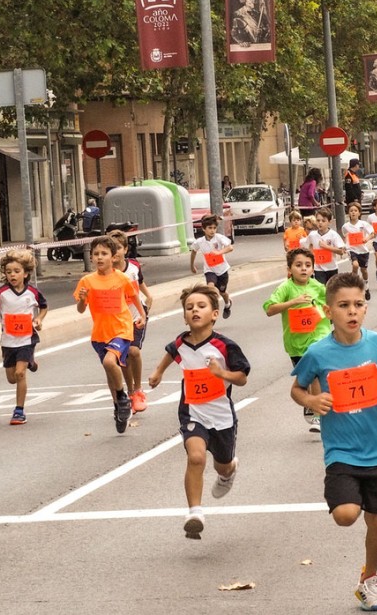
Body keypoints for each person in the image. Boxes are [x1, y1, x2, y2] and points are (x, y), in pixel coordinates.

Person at [290, 273, 377, 612]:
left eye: (358, 304)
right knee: (345, 515)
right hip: (341, 451)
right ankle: (367, 575)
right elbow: (297, 388)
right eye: (343, 305)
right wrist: (311, 402)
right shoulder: (317, 352)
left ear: (366, 308)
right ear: (329, 311)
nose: (352, 311)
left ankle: (368, 581)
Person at [148, 284, 250, 539]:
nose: (195, 310)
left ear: (215, 313)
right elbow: (171, 352)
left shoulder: (224, 346)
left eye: (201, 306)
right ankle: (195, 512)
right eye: (189, 307)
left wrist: (222, 374)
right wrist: (158, 372)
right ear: (184, 315)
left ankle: (229, 471)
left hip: (221, 414)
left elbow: (242, 378)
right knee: (195, 457)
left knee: (223, 465)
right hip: (192, 411)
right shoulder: (181, 342)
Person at [75, 235, 146, 434]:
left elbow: (134, 297)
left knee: (109, 362)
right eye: (95, 254)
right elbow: (81, 309)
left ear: (113, 257)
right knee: (110, 370)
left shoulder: (122, 278)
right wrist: (82, 299)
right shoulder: (87, 281)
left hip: (122, 330)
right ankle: (118, 407)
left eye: (104, 253)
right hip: (100, 333)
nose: (99, 257)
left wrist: (142, 316)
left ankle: (124, 397)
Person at [264, 248, 331, 432]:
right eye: (298, 265)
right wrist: (293, 302)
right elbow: (269, 309)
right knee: (307, 380)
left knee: (317, 375)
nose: (303, 269)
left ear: (313, 269)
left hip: (319, 338)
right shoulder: (285, 288)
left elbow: (333, 303)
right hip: (296, 345)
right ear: (289, 268)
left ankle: (319, 416)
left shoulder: (318, 287)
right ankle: (310, 402)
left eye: (308, 265)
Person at [0, 249, 48, 425]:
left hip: (27, 339)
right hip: (8, 341)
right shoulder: (1, 293)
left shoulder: (32, 293)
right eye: (9, 272)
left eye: (17, 271)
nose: (12, 275)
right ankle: (31, 363)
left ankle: (19, 411)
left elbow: (43, 306)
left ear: (25, 273)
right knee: (11, 378)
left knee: (20, 373)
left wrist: (39, 319)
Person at [110, 229, 153, 413]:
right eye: (111, 249)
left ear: (125, 250)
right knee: (124, 357)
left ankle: (138, 389)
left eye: (118, 248)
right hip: (117, 321)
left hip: (137, 315)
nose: (115, 252)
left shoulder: (134, 266)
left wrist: (148, 296)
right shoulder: (107, 273)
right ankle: (130, 391)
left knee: (134, 351)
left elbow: (139, 283)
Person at [190, 214, 235, 319]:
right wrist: (192, 265)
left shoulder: (219, 238)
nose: (212, 230)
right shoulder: (200, 242)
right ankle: (211, 310)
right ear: (203, 229)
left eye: (214, 228)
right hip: (210, 270)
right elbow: (193, 252)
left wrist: (220, 252)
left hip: (222, 270)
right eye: (210, 228)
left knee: (222, 292)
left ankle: (228, 304)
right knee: (210, 288)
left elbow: (230, 247)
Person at [303, 208, 346, 285]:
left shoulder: (333, 235)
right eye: (318, 220)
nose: (320, 223)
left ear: (329, 222)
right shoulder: (312, 235)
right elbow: (306, 247)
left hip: (332, 268)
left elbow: (341, 251)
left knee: (331, 291)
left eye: (323, 221)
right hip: (318, 268)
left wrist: (327, 247)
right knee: (322, 290)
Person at [342, 202, 374, 299]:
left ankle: (366, 287)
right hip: (352, 250)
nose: (353, 213)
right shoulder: (345, 226)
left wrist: (366, 239)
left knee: (364, 270)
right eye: (351, 211)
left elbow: (372, 233)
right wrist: (344, 246)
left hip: (363, 251)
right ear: (348, 213)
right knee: (355, 265)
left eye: (355, 211)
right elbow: (345, 237)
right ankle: (354, 284)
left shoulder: (363, 224)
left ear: (359, 213)